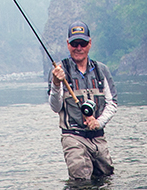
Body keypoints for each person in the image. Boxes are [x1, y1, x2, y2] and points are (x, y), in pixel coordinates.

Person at [48, 22, 118, 181]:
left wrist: (98, 122)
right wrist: (56, 84)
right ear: (68, 44)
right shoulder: (58, 71)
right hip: (73, 136)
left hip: (98, 136)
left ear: (90, 43)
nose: (78, 47)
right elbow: (55, 107)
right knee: (81, 183)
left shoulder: (102, 70)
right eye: (74, 43)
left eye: (83, 43)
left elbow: (112, 103)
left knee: (106, 180)